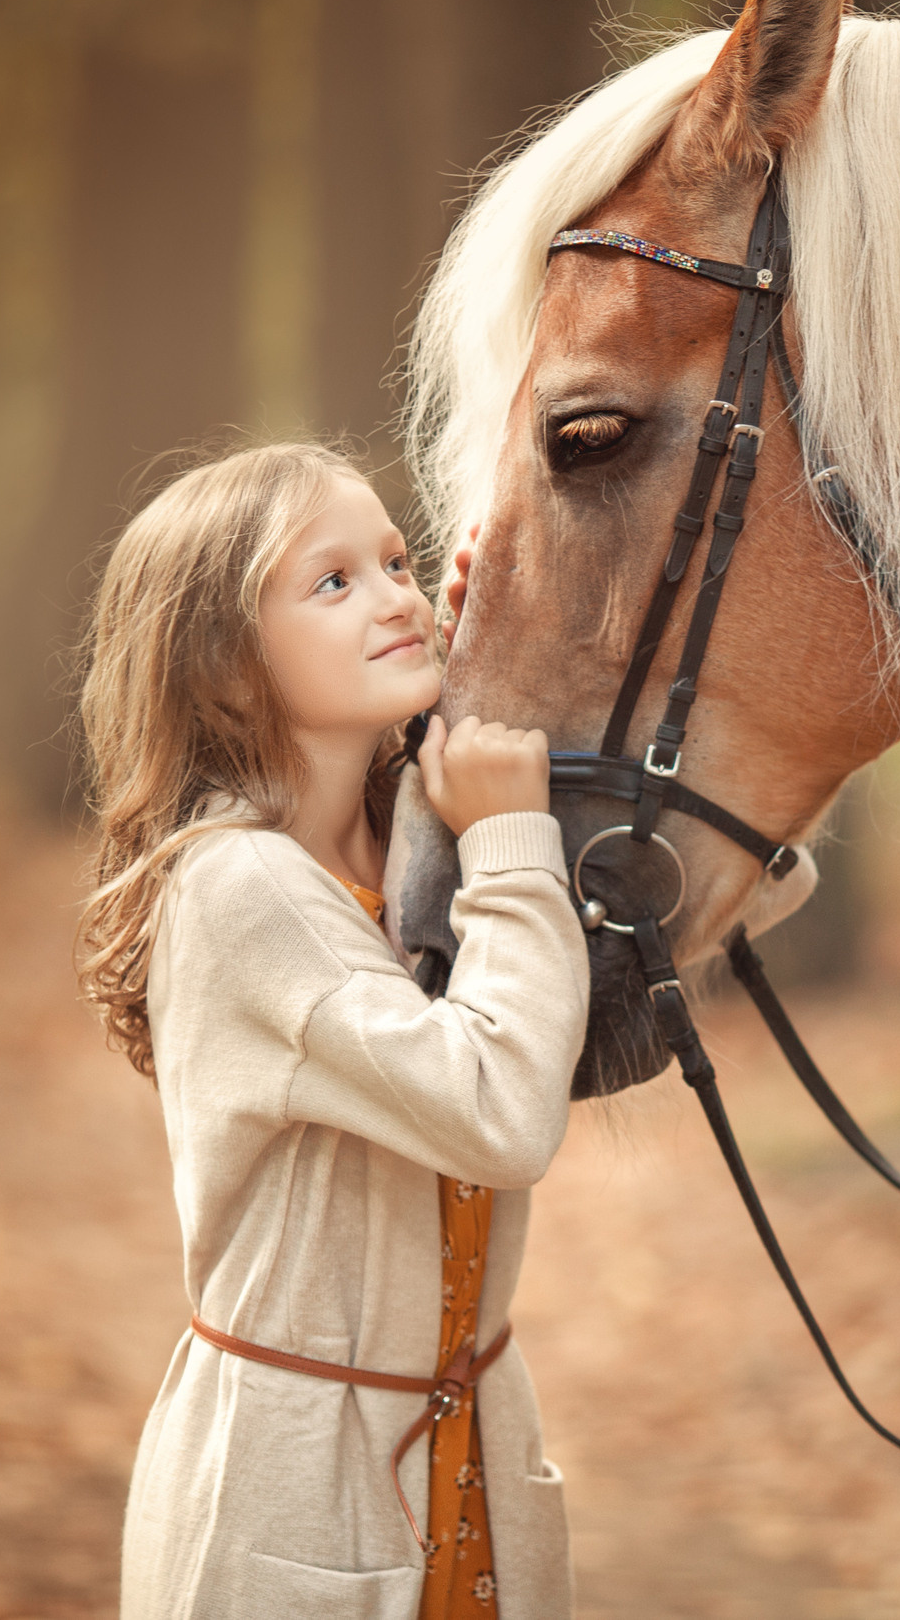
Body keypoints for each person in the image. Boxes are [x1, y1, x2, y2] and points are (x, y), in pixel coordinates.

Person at [73, 442, 588, 1619]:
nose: (397, 596)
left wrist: (511, 651)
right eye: (334, 581)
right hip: (294, 1489)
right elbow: (500, 1113)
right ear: (224, 668)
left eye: (398, 563)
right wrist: (512, 843)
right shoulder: (239, 888)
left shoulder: (408, 836)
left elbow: (633, 963)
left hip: (469, 1465)